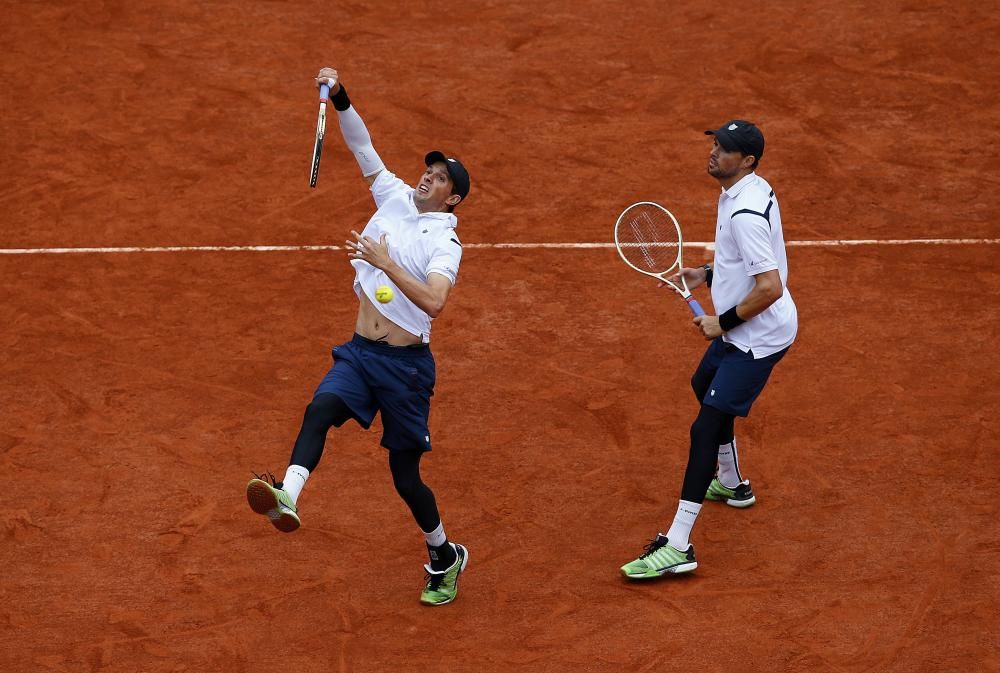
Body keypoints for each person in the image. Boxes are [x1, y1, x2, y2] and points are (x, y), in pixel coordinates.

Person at [246, 67, 472, 606]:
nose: (428, 177)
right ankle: (288, 495)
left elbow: (436, 303)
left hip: (406, 369)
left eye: (441, 178)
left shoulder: (447, 244)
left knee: (404, 476)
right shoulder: (392, 196)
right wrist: (341, 95)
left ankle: (444, 554)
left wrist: (385, 262)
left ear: (454, 200)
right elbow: (361, 144)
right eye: (430, 170)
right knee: (319, 409)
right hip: (360, 352)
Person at [620, 120, 798, 579]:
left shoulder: (743, 214)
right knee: (702, 383)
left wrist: (722, 322)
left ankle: (678, 544)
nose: (715, 152)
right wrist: (707, 272)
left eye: (726, 149)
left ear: (749, 161)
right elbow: (742, 261)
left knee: (704, 429)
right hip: (744, 328)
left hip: (756, 338)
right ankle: (734, 485)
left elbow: (770, 287)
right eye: (716, 144)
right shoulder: (747, 190)